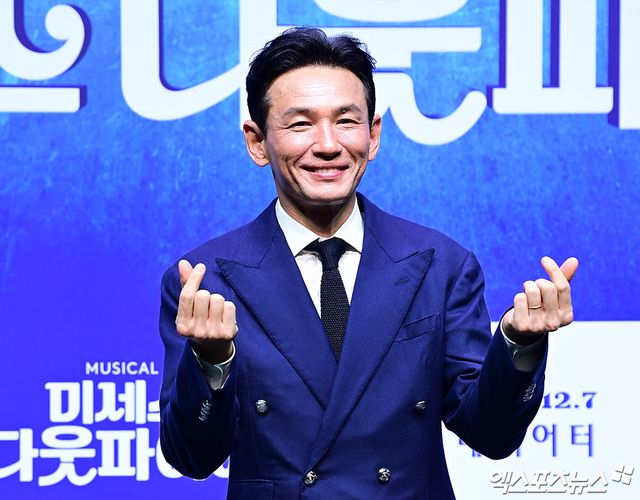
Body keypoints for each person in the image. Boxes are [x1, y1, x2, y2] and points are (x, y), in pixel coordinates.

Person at [158, 27, 578, 499]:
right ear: (257, 142)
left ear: (373, 135)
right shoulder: (204, 280)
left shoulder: (442, 265)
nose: (328, 144)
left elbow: (491, 435)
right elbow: (190, 458)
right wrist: (211, 360)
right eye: (300, 124)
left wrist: (519, 344)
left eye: (346, 121)